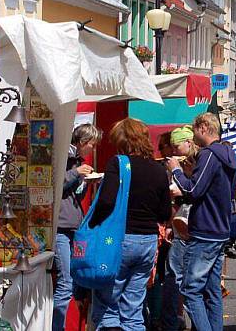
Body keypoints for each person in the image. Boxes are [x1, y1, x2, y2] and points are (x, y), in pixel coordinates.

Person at [89, 118, 172, 330]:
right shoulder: (159, 169)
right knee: (134, 309)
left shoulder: (118, 164)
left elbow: (106, 201)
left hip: (120, 240)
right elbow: (164, 212)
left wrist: (93, 224)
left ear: (123, 141)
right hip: (147, 242)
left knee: (108, 305)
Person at [167, 113, 236, 331]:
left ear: (204, 127)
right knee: (211, 290)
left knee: (191, 290)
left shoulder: (209, 155)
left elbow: (193, 189)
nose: (193, 135)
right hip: (220, 228)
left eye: (195, 130)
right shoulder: (228, 154)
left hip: (205, 229)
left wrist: (176, 170)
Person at [53, 124, 101, 331]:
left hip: (73, 226)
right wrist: (76, 173)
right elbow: (54, 184)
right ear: (82, 142)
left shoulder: (78, 162)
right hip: (61, 227)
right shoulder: (65, 158)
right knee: (65, 282)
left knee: (73, 280)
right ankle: (57, 327)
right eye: (92, 144)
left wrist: (86, 182)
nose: (93, 148)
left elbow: (72, 195)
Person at [162, 126, 199, 331]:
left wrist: (178, 174)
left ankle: (176, 321)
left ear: (188, 143)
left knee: (178, 277)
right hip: (179, 226)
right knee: (179, 277)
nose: (173, 152)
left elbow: (193, 192)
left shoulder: (194, 164)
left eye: (176, 146)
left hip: (191, 229)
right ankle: (177, 319)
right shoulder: (183, 163)